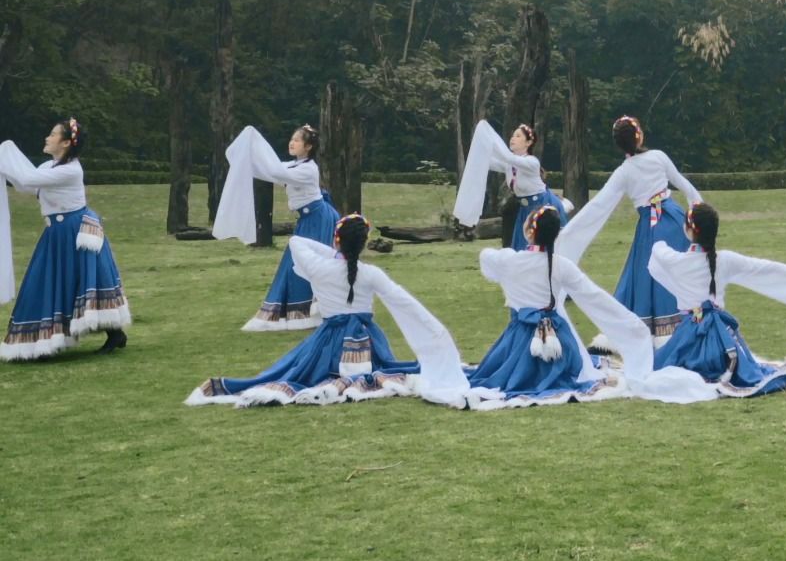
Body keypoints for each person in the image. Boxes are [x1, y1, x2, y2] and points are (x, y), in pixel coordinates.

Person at [186, 215, 467, 406]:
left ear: (337, 240)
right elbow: (404, 301)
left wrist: (332, 252)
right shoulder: (370, 273)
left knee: (293, 371)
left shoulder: (320, 268)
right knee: (386, 368)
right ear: (365, 243)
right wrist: (434, 331)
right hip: (367, 340)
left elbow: (296, 242)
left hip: (328, 338)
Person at [648, 202, 786, 397]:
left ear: (690, 230)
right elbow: (766, 269)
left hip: (687, 335)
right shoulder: (724, 260)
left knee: (661, 364)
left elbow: (658, 251)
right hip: (720, 337)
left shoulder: (675, 261)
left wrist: (659, 237)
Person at [553, 115, 704, 343]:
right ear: (638, 135)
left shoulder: (623, 172)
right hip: (674, 220)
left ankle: (658, 333)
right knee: (682, 273)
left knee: (645, 276)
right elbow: (685, 186)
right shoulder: (658, 157)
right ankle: (692, 324)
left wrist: (570, 230)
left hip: (650, 227)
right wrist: (699, 215)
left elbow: (598, 205)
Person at [463, 205, 629, 408]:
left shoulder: (508, 260)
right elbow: (592, 294)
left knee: (496, 375)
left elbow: (486, 256)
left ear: (529, 231)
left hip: (518, 339)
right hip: (559, 338)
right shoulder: (561, 265)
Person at [0, 120, 131, 359]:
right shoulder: (50, 166)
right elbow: (25, 184)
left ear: (66, 143)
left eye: (52, 135)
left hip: (74, 231)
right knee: (59, 281)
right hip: (57, 232)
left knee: (80, 280)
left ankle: (113, 332)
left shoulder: (70, 170)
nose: (47, 138)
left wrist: (7, 153)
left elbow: (28, 179)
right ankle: (50, 339)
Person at [212, 124, 340, 330]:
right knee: (298, 263)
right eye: (292, 139)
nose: (292, 143)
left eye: (297, 140)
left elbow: (275, 171)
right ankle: (300, 313)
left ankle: (306, 313)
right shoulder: (295, 166)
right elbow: (270, 171)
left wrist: (255, 143)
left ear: (308, 147)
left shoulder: (307, 169)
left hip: (318, 219)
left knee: (302, 263)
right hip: (309, 218)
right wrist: (244, 157)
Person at [453, 120, 566, 252]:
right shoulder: (509, 164)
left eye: (518, 136)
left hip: (543, 205)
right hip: (525, 208)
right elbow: (487, 162)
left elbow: (508, 158)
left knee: (547, 247)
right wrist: (478, 147)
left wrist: (489, 136)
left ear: (528, 143)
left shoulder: (531, 162)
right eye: (513, 135)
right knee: (521, 248)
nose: (513, 138)